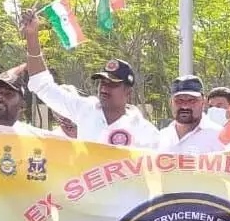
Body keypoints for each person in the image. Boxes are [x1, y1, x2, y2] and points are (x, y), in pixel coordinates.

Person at [21, 9, 159, 147]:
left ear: (128, 93)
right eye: (102, 82)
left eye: (112, 84)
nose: (104, 88)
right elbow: (42, 84)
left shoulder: (145, 132)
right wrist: (32, 35)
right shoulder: (85, 109)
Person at [158, 75, 224, 153]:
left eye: (192, 100)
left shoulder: (219, 137)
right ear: (171, 102)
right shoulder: (161, 137)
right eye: (179, 100)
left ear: (203, 101)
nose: (185, 106)